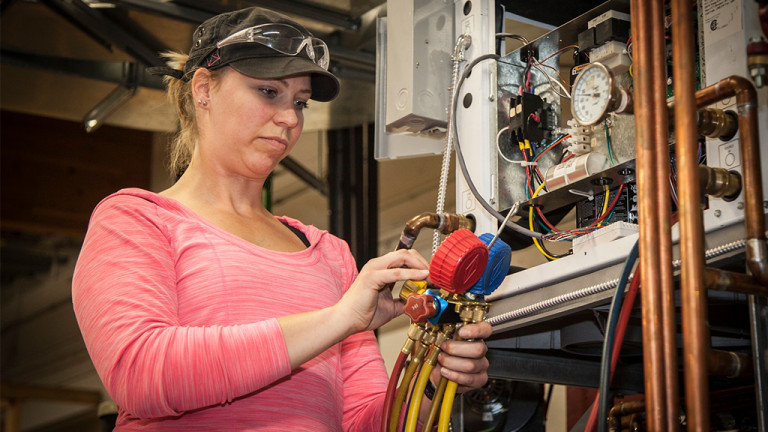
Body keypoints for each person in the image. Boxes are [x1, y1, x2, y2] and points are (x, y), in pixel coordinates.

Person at [72, 7, 492, 431]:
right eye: (268, 92)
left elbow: (363, 421)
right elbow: (142, 374)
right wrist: (339, 318)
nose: (290, 118)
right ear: (204, 89)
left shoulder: (330, 254)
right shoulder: (137, 219)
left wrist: (432, 381)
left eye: (299, 102)